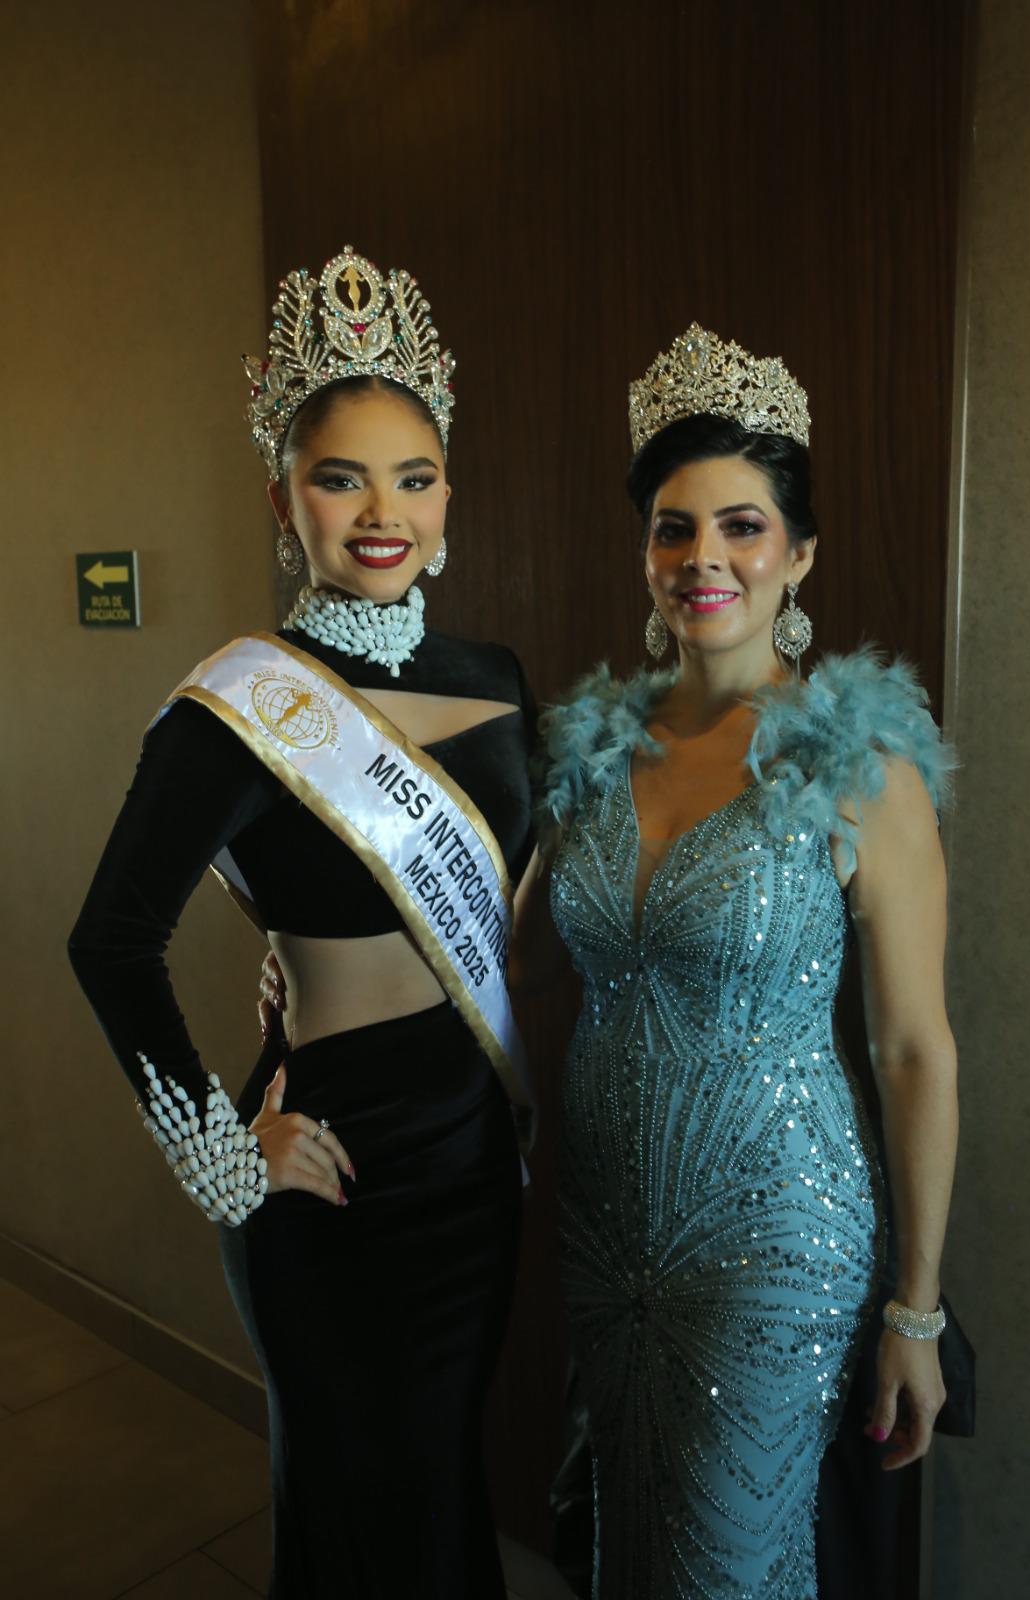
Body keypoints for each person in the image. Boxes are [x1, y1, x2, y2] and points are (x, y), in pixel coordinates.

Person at [68, 247, 537, 1600]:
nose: (380, 513)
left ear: (448, 497)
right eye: (341, 477)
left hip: (467, 1151)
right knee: (348, 1498)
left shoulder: (497, 679)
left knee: (442, 1480)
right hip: (330, 1158)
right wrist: (227, 1153)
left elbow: (517, 887)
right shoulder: (239, 704)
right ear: (287, 501)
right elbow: (109, 942)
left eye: (413, 476)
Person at [516, 325, 958, 1598]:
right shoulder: (589, 752)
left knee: (724, 1569)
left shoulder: (856, 764)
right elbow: (508, 960)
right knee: (626, 1547)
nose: (702, 556)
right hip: (605, 1228)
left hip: (774, 1239)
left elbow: (913, 1047)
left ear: (797, 554)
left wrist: (914, 1312)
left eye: (740, 525)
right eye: (672, 526)